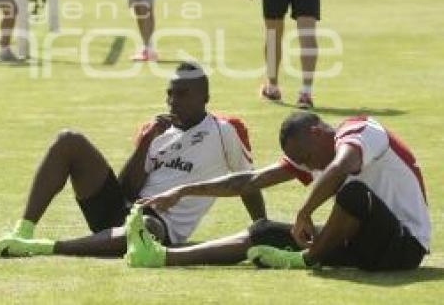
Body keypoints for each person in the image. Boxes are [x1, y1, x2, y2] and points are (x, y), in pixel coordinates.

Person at [0, 62, 264, 258]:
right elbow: (126, 191)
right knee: (68, 141)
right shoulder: (156, 130)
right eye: (169, 93)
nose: (172, 101)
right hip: (122, 211)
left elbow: (247, 181)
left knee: (145, 226)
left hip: (159, 225)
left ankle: (48, 247)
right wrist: (147, 142)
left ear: (205, 97)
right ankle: (23, 232)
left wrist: (261, 228)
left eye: (182, 94)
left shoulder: (224, 130)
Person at [127, 111, 429, 272]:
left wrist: (304, 212)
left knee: (353, 194)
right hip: (361, 247)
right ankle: (162, 257)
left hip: (403, 248)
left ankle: (308, 259)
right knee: (263, 230)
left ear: (317, 133)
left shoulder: (361, 131)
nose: (308, 166)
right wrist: (182, 190)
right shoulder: (315, 153)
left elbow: (340, 169)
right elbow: (248, 182)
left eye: (307, 158)